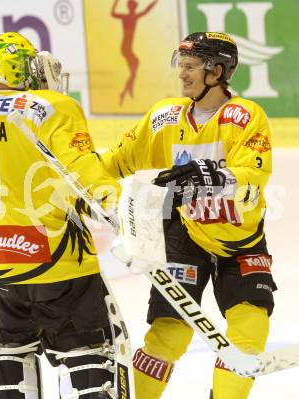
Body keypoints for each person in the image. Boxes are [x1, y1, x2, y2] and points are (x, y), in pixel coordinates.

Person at [102, 32, 277, 399]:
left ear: (217, 71)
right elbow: (115, 161)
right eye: (180, 66)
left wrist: (207, 174)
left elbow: (254, 178)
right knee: (169, 330)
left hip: (241, 240)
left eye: (191, 67)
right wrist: (80, 180)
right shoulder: (164, 117)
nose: (182, 75)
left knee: (251, 328)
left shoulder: (244, 116)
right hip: (187, 235)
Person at [0, 32, 124, 399]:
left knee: (3, 364)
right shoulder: (54, 106)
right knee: (88, 360)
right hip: (58, 264)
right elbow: (81, 169)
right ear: (19, 68)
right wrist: (120, 208)